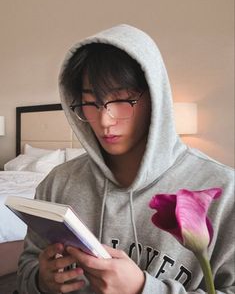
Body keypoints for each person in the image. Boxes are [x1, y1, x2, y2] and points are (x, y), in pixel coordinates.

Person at [17, 24, 234, 294]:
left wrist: (145, 289)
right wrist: (42, 281)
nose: (105, 120)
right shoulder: (57, 184)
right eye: (90, 103)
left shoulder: (223, 191)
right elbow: (26, 270)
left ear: (154, 98)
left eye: (122, 100)